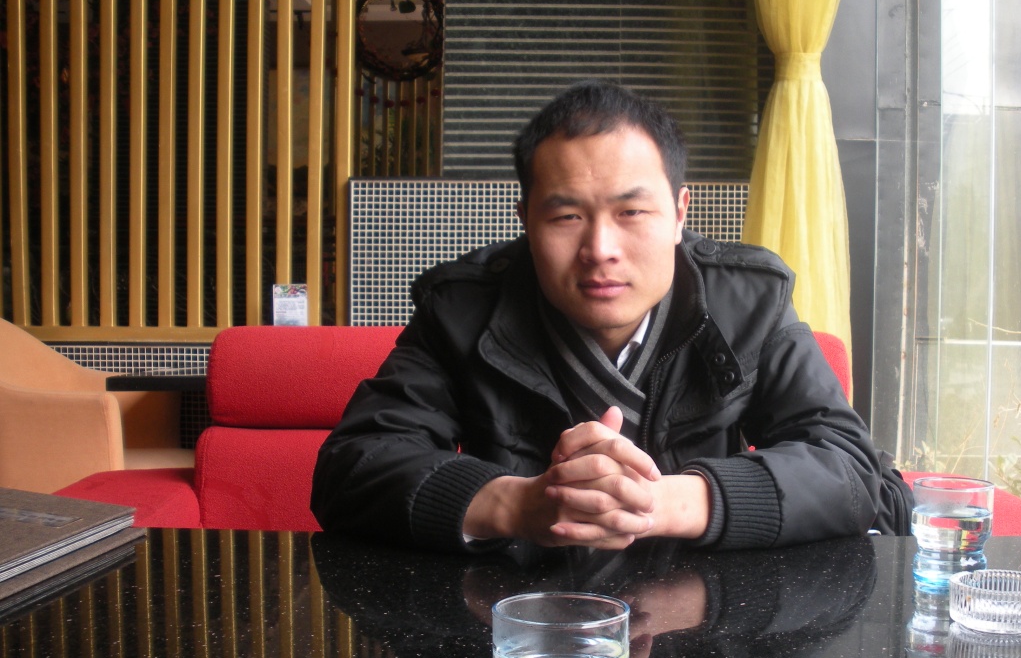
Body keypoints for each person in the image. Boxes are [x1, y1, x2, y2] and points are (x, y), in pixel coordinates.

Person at [311, 80, 911, 551]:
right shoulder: (461, 308)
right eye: (566, 217)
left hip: (705, 625)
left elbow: (855, 473)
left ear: (679, 213)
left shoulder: (749, 300)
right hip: (517, 625)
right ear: (525, 220)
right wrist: (518, 505)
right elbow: (351, 469)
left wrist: (664, 504)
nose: (600, 249)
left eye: (631, 213)